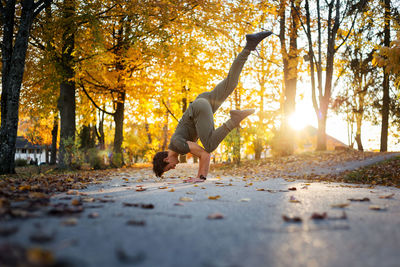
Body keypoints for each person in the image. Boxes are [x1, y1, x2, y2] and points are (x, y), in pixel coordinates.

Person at [153, 30, 273, 182]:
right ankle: (249, 46)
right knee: (231, 83)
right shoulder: (176, 144)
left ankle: (234, 120)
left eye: (169, 167)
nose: (173, 168)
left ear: (166, 160)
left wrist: (200, 177)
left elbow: (205, 154)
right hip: (202, 103)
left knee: (209, 145)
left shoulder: (177, 145)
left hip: (199, 108)